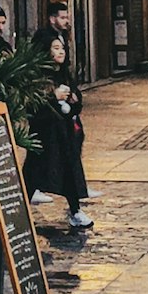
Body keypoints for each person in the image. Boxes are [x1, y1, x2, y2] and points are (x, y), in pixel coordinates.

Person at [32, 37, 92, 229]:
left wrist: (72, 103)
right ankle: (17, 212)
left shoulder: (65, 74)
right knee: (34, 173)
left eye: (62, 48)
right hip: (45, 134)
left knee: (69, 172)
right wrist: (53, 97)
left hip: (64, 134)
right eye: (56, 48)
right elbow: (34, 105)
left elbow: (77, 102)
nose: (61, 52)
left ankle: (75, 210)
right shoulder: (39, 75)